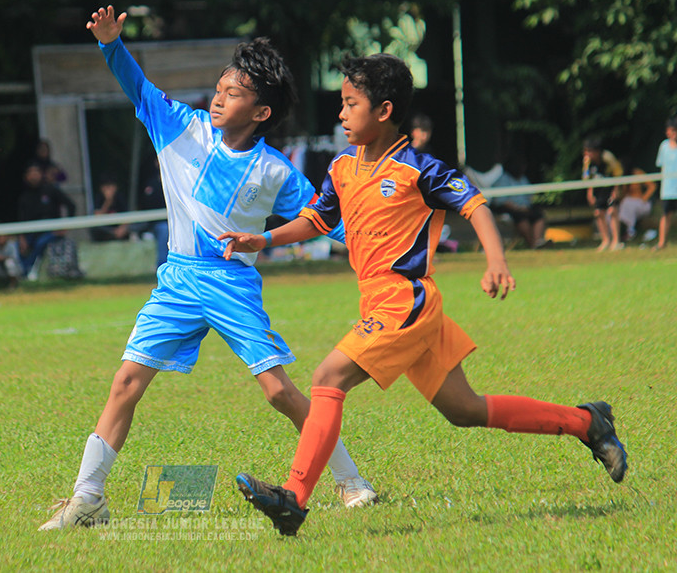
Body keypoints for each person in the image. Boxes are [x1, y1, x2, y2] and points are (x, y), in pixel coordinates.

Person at [219, 53, 627, 537]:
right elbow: (319, 220)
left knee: (328, 376)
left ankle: (294, 497)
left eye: (351, 105)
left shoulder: (420, 169)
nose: (342, 115)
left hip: (406, 302)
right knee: (465, 409)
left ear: (384, 111)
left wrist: (496, 260)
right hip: (385, 305)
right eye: (342, 105)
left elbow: (474, 206)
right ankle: (586, 422)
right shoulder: (343, 167)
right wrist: (263, 239)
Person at [38, 5, 376, 532]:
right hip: (176, 279)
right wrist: (110, 45)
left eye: (234, 93)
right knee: (125, 381)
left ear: (261, 112)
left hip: (231, 283)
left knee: (279, 392)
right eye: (220, 87)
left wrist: (376, 248)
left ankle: (351, 482)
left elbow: (324, 220)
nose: (219, 97)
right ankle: (88, 500)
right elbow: (138, 85)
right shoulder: (180, 126)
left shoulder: (274, 171)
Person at [17, 161, 78, 279]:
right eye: (31, 173)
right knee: (17, 246)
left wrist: (66, 226)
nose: (34, 175)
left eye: (36, 172)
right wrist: (21, 238)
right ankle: (21, 272)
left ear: (41, 174)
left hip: (51, 232)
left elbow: (71, 205)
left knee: (40, 243)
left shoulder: (51, 190)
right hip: (32, 233)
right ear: (26, 176)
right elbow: (21, 220)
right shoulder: (24, 197)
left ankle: (28, 270)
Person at [489, 155, 549, 249]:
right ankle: (533, 244)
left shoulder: (523, 178)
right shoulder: (503, 180)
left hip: (525, 208)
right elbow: (501, 201)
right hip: (511, 210)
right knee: (521, 218)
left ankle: (537, 242)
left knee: (538, 215)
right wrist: (518, 208)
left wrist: (528, 206)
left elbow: (530, 196)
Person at [582, 136, 623, 251]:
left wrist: (616, 190)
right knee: (598, 213)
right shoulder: (587, 161)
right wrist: (590, 193)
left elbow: (617, 174)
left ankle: (616, 241)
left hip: (610, 189)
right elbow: (587, 178)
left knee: (612, 211)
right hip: (598, 190)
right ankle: (605, 240)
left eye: (590, 151)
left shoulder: (607, 157)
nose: (588, 154)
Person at [616, 159, 656, 244]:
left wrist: (644, 198)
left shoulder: (637, 173)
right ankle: (620, 232)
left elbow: (652, 186)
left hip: (641, 204)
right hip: (627, 204)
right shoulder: (621, 177)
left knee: (628, 203)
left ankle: (630, 231)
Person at [138, 157, 169, 268]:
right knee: (164, 229)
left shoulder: (178, 182)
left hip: (178, 222)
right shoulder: (151, 184)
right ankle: (162, 266)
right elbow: (147, 205)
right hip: (158, 223)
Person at [89, 173, 130, 242]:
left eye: (111, 186)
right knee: (95, 229)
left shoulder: (120, 197)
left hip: (120, 227)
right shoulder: (98, 198)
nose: (109, 190)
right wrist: (108, 202)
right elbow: (97, 217)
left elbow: (128, 216)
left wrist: (122, 228)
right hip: (106, 229)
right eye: (106, 187)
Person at [656, 116, 677, 250]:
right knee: (666, 215)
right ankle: (661, 243)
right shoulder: (664, 146)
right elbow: (661, 166)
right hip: (668, 189)